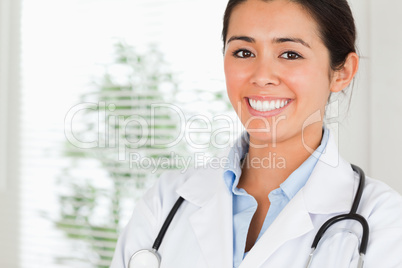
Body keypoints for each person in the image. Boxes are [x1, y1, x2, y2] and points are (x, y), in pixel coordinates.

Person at [111, 0, 402, 267]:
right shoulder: (166, 202)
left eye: (290, 54)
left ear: (341, 72)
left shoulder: (384, 222)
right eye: (244, 52)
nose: (262, 75)